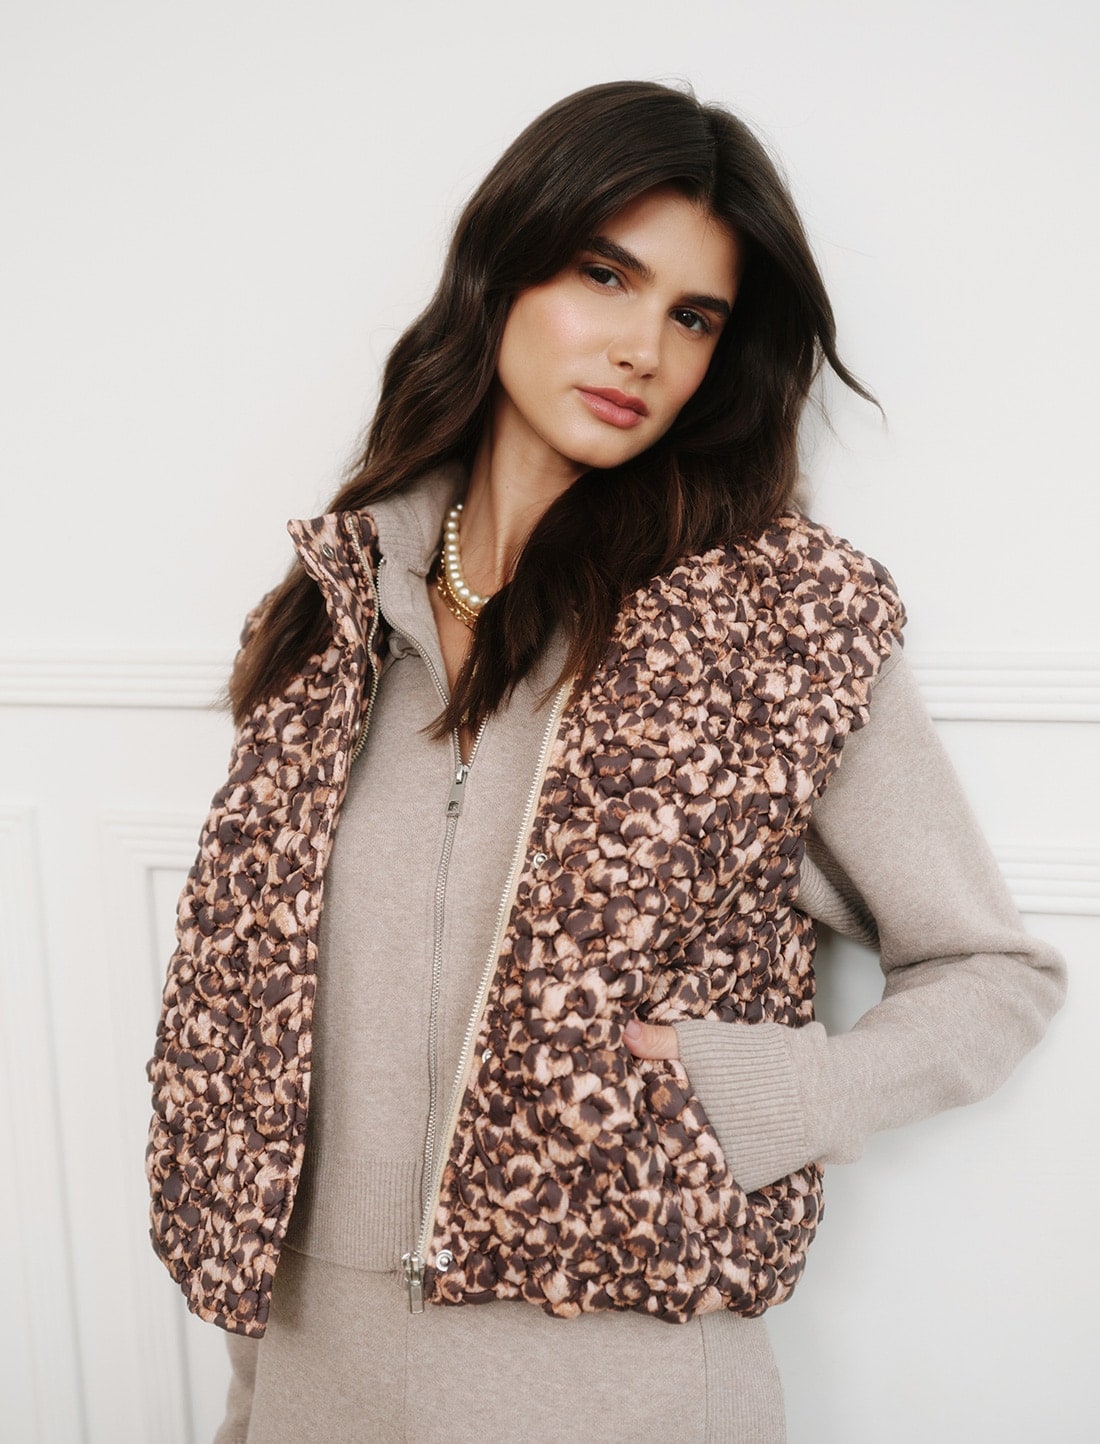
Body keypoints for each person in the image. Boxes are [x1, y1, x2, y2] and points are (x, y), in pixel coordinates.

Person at [145, 79, 1067, 1443]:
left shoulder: (776, 630)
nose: (642, 348)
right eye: (605, 275)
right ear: (501, 274)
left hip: (624, 1392)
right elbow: (266, 1065)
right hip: (315, 1379)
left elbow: (992, 974)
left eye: (694, 317)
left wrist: (777, 1090)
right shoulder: (331, 621)